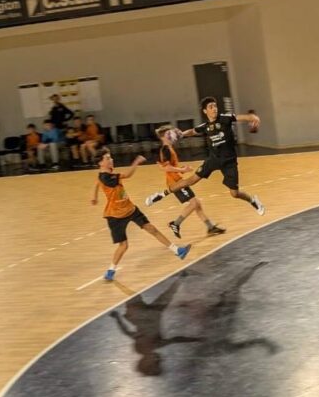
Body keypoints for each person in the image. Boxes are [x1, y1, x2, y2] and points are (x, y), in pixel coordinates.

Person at [145, 97, 264, 215]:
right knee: (190, 181)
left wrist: (253, 117)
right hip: (213, 160)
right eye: (211, 107)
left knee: (235, 193)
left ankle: (253, 200)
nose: (214, 109)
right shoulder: (205, 126)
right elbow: (192, 131)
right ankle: (161, 194)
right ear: (205, 111)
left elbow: (241, 117)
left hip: (229, 162)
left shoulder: (225, 118)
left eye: (215, 106)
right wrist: (181, 134)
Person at [91, 150, 190, 281]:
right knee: (124, 245)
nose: (111, 160)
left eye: (110, 157)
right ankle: (111, 270)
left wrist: (94, 196)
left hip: (131, 209)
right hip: (115, 216)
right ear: (100, 163)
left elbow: (96, 183)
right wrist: (136, 161)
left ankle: (178, 251)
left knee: (152, 229)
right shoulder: (106, 177)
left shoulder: (105, 175)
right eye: (108, 158)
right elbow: (127, 175)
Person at [155, 125, 225, 239]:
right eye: (169, 134)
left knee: (197, 204)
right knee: (194, 204)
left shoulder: (168, 148)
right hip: (175, 183)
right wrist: (182, 170)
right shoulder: (166, 149)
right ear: (164, 137)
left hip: (178, 180)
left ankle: (210, 227)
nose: (172, 136)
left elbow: (168, 166)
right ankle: (175, 224)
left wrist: (181, 169)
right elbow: (166, 168)